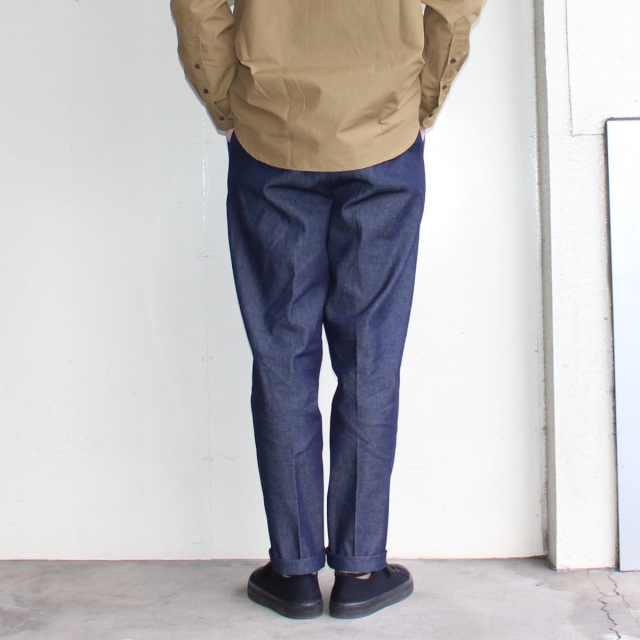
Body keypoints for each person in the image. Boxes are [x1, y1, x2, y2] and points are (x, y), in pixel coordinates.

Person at [171, 0, 484, 620]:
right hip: (383, 133)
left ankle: (292, 572)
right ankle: (361, 568)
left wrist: (227, 102)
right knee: (371, 356)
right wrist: (421, 99)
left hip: (272, 132)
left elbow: (197, 5)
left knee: (281, 357)